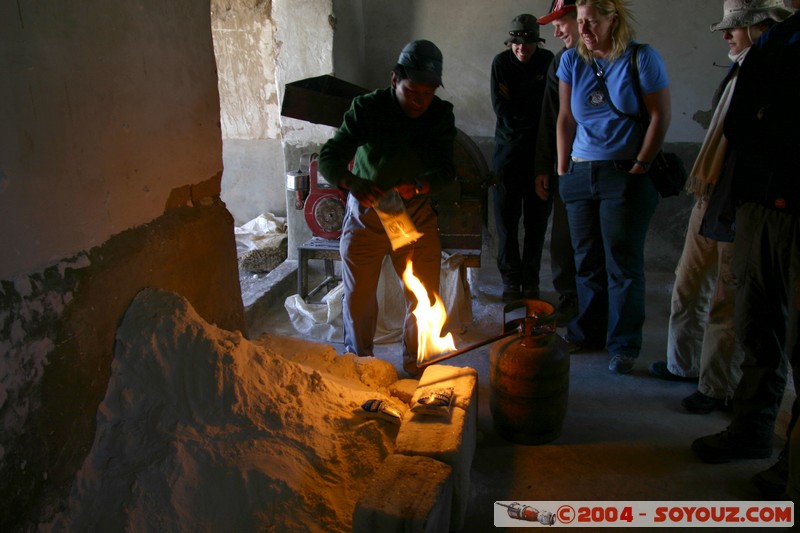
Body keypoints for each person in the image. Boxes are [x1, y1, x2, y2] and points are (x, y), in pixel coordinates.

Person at [649, 0, 788, 415]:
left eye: (736, 28)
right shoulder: (738, 71)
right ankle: (682, 363)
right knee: (687, 284)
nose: (727, 35)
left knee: (724, 300)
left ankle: (715, 386)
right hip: (709, 192)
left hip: (737, 200)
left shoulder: (772, 73)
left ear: (760, 27)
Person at [691, 0, 799, 499]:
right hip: (760, 205)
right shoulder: (775, 45)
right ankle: (753, 431)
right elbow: (740, 126)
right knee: (758, 325)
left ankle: (792, 461)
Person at [317, 40, 457, 378]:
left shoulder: (439, 114)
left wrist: (421, 185)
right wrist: (352, 182)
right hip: (368, 215)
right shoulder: (368, 108)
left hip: (415, 214)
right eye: (412, 91)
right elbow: (329, 157)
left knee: (423, 293)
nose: (421, 100)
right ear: (395, 79)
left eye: (428, 92)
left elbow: (447, 171)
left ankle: (418, 362)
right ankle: (361, 363)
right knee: (359, 296)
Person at [556, 0, 671, 374]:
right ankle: (587, 332)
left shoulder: (641, 57)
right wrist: (562, 168)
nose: (584, 30)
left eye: (591, 23)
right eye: (581, 23)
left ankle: (623, 345)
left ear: (612, 19)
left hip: (624, 173)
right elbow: (565, 118)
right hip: (579, 171)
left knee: (621, 263)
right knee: (586, 260)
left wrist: (641, 164)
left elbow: (660, 115)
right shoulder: (572, 60)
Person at [490, 14, 554, 302]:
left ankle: (530, 281)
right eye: (516, 43)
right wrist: (531, 108)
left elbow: (551, 108)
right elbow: (502, 110)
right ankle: (510, 281)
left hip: (540, 156)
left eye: (527, 43)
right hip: (507, 155)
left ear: (536, 43)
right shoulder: (501, 63)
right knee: (506, 223)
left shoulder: (548, 61)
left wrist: (520, 102)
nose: (521, 48)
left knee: (536, 223)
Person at [534, 0, 581, 326]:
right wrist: (544, 166)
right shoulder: (562, 61)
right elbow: (551, 118)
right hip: (569, 168)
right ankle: (570, 301)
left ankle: (597, 310)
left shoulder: (618, 57)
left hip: (605, 168)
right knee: (564, 242)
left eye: (562, 20)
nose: (556, 29)